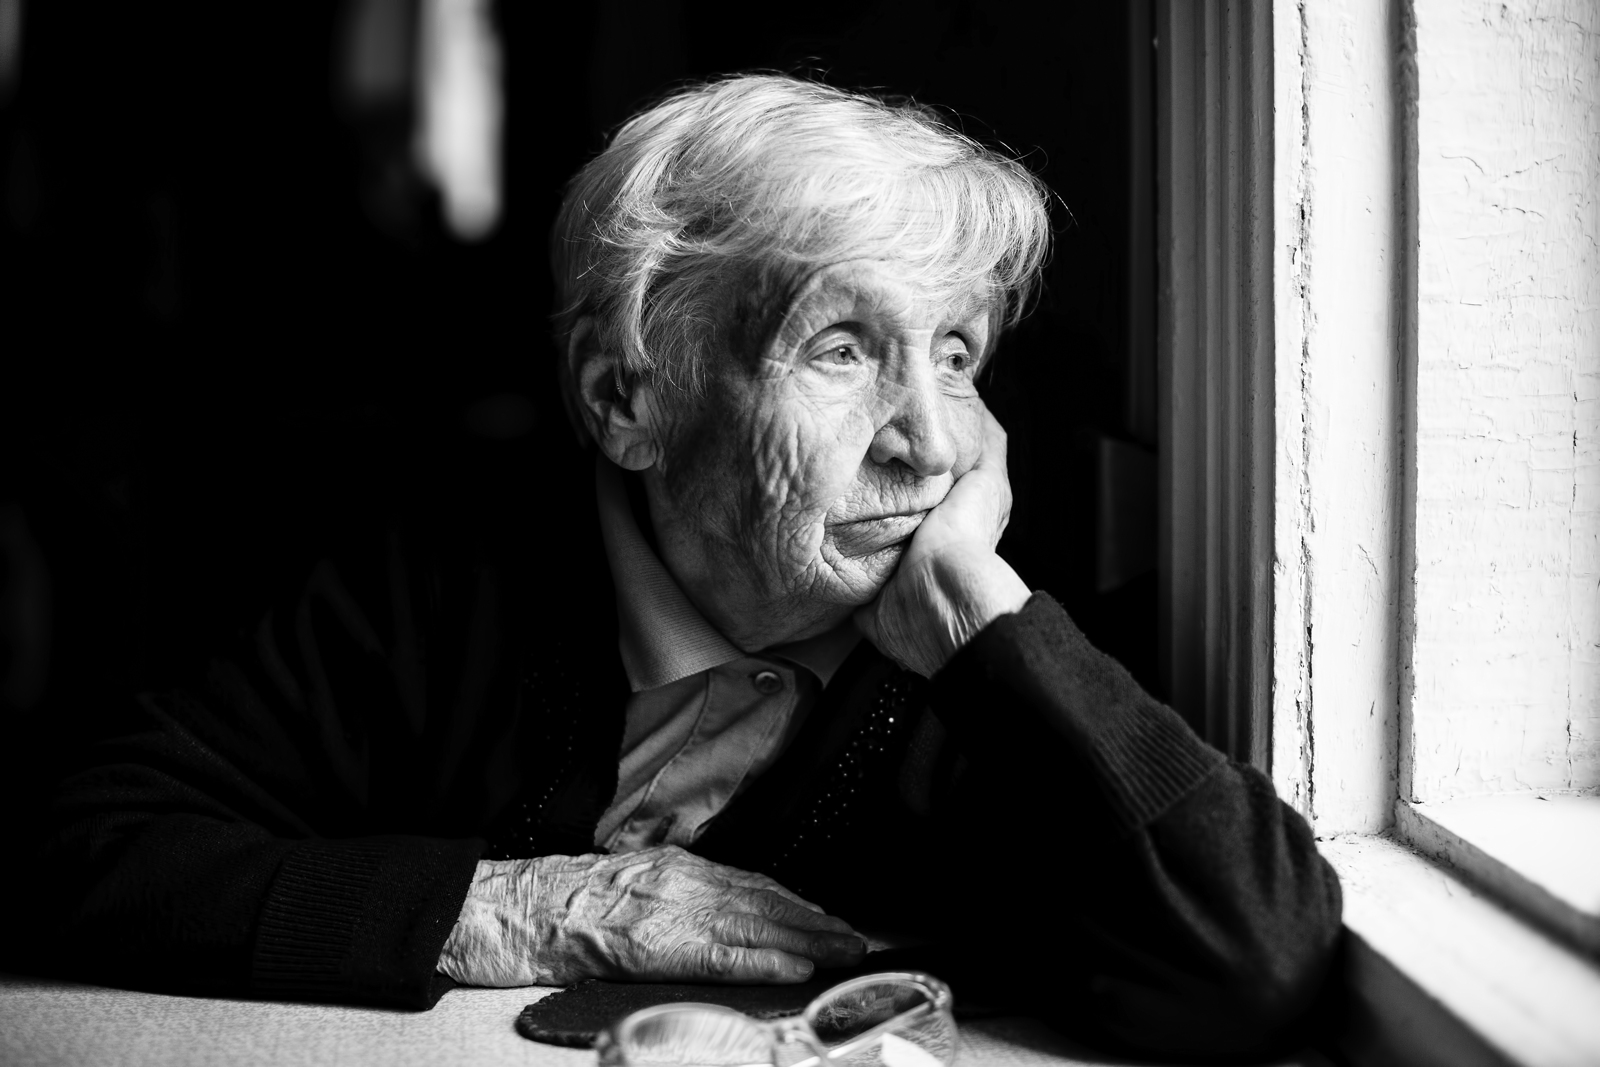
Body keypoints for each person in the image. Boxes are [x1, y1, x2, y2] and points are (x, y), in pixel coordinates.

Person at [40, 75, 1340, 1057]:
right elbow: (78, 852)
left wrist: (982, 617)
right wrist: (533, 906)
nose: (933, 444)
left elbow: (1257, 953)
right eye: (841, 350)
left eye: (953, 351)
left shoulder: (987, 648)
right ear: (628, 401)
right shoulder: (434, 589)